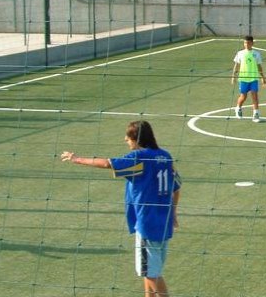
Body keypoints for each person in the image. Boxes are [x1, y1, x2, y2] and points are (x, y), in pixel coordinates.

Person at [61, 121, 181, 297]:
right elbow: (176, 187)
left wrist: (76, 159)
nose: (125, 139)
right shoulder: (166, 156)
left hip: (147, 224)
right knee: (150, 271)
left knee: (150, 274)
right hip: (164, 222)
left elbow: (107, 163)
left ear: (137, 138)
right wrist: (174, 213)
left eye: (128, 136)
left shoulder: (139, 158)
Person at [231, 35, 266, 122]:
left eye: (248, 43)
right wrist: (233, 76)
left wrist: (263, 78)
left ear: (252, 43)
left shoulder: (257, 54)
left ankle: (256, 114)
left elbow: (259, 66)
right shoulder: (240, 53)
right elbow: (236, 66)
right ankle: (238, 108)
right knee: (243, 96)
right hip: (243, 79)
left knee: (254, 96)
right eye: (245, 43)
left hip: (254, 78)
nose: (246, 44)